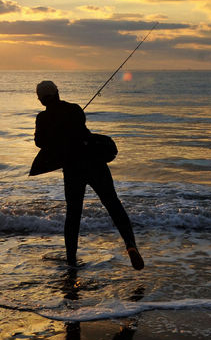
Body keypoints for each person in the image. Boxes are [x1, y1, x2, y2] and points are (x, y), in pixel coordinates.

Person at [32, 80, 144, 270]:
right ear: (58, 93)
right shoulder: (75, 109)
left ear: (41, 100)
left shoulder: (43, 118)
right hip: (94, 162)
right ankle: (130, 245)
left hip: (72, 167)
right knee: (113, 204)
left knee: (73, 213)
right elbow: (81, 125)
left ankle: (71, 260)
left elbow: (39, 143)